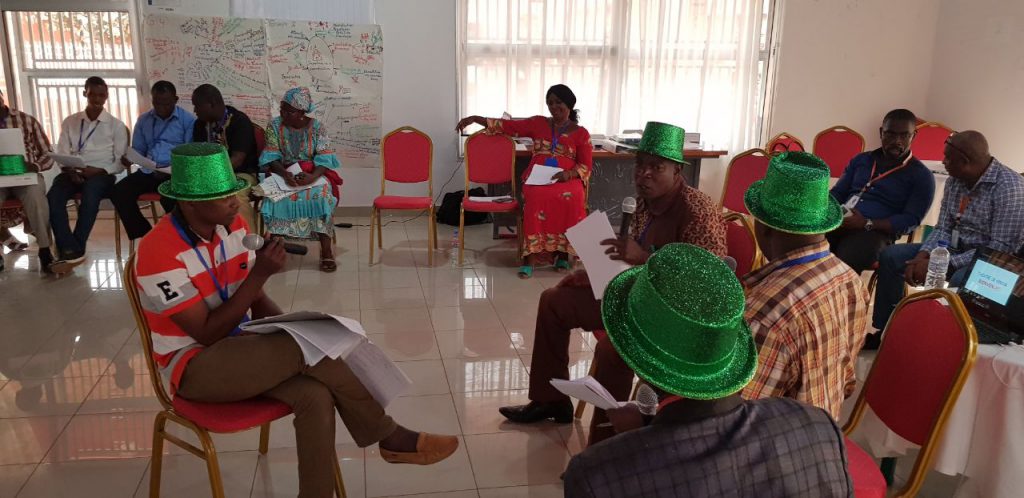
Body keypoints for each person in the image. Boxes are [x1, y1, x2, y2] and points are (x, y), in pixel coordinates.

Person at [135, 143, 458, 498]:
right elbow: (207, 333)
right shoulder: (157, 252)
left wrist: (298, 326)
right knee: (306, 351)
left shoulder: (232, 228)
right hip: (193, 368)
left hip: (240, 349)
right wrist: (261, 276)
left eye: (235, 191)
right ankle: (388, 436)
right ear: (191, 203)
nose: (234, 201)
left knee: (316, 393)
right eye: (223, 196)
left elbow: (253, 300)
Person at [563, 243, 853, 498]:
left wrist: (643, 439)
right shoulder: (818, 426)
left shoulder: (597, 477)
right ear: (732, 353)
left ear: (640, 365)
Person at [498, 122, 727, 438]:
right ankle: (550, 402)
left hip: (675, 321)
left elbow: (710, 283)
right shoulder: (645, 201)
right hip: (636, 297)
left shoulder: (697, 210)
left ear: (677, 170)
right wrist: (592, 273)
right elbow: (630, 261)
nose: (643, 174)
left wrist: (644, 258)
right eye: (640, 165)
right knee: (555, 300)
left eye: (655, 167)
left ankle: (604, 447)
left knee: (611, 351)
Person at [739, 152, 869, 420]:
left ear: (762, 228)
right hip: (825, 434)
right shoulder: (850, 279)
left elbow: (737, 425)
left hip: (779, 454)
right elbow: (845, 383)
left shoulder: (765, 314)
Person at [870, 130, 1024, 345]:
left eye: (948, 158)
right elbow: (943, 227)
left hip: (994, 264)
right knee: (891, 256)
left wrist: (939, 263)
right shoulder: (956, 179)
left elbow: (999, 250)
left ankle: (948, 346)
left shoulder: (1009, 187)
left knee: (963, 279)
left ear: (965, 161)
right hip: (952, 249)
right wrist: (923, 256)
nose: (944, 162)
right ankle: (888, 333)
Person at [456, 84, 592, 278]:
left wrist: (568, 174)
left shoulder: (581, 133)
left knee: (571, 197)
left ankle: (562, 254)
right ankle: (530, 258)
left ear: (569, 103)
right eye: (550, 103)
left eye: (558, 102)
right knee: (535, 197)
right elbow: (508, 126)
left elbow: (585, 166)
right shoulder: (538, 123)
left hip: (566, 178)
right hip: (538, 177)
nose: (554, 107)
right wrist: (475, 119)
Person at [828, 109, 935, 273]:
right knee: (805, 242)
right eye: (890, 134)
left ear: (914, 135)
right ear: (881, 133)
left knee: (844, 261)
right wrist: (829, 211)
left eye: (904, 135)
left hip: (876, 233)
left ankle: (841, 296)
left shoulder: (922, 176)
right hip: (840, 222)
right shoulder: (861, 160)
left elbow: (910, 221)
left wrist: (866, 223)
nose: (897, 141)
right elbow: (838, 193)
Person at [47, 76, 129, 274]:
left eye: (102, 95)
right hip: (72, 171)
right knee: (53, 197)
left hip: (102, 173)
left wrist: (99, 171)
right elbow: (62, 152)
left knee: (91, 196)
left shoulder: (115, 125)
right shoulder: (71, 121)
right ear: (85, 93)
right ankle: (70, 248)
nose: (97, 99)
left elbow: (119, 162)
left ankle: (73, 249)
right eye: (93, 94)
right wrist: (70, 170)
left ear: (107, 96)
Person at [258, 87, 343, 272]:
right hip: (283, 173)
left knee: (321, 197)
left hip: (313, 174)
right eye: (282, 109)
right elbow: (271, 157)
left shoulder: (318, 128)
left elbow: (325, 157)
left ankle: (326, 251)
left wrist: (312, 176)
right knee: (273, 198)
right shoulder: (274, 126)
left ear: (302, 113)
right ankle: (275, 250)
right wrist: (284, 174)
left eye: (288, 111)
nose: (282, 114)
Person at [111, 80, 195, 241]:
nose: (161, 108)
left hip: (173, 173)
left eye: (166, 104)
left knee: (170, 197)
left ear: (175, 100)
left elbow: (188, 154)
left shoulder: (187, 121)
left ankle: (179, 239)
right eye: (157, 103)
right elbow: (138, 150)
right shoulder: (144, 120)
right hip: (148, 171)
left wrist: (170, 168)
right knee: (119, 192)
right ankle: (145, 236)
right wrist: (129, 158)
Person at [0, 88, 55, 272]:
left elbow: (48, 153)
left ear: (1, 98)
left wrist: (36, 167)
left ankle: (45, 249)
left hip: (26, 175)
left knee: (35, 197)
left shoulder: (26, 120)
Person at [190, 83, 259, 229]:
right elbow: (198, 156)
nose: (195, 110)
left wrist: (213, 176)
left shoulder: (239, 121)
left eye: (197, 106)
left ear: (212, 104)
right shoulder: (199, 125)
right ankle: (202, 241)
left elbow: (237, 159)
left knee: (236, 196)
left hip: (241, 174)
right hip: (209, 176)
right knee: (187, 195)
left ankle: (248, 245)